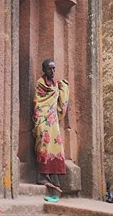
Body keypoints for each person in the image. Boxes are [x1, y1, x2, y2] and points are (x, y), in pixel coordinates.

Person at [33, 60, 69, 202]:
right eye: (49, 69)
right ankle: (42, 176)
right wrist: (41, 118)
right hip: (42, 118)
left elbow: (60, 102)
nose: (53, 72)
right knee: (43, 143)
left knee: (57, 147)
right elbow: (38, 102)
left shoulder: (55, 85)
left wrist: (64, 87)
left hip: (53, 121)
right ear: (43, 69)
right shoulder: (40, 84)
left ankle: (55, 179)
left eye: (54, 69)